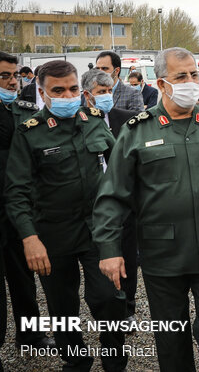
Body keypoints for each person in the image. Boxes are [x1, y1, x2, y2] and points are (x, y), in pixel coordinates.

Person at [93, 47, 199, 372]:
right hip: (163, 253)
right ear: (162, 84)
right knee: (172, 340)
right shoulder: (137, 131)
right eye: (182, 77)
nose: (191, 82)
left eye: (194, 75)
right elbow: (112, 196)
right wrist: (109, 249)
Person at [4, 60, 126, 372]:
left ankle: (115, 361)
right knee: (63, 308)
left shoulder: (95, 120)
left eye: (73, 88)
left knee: (110, 300)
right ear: (43, 95)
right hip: (52, 233)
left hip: (96, 229)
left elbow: (119, 169)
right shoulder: (29, 133)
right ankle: (76, 361)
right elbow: (16, 192)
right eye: (58, 91)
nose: (68, 95)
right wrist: (29, 239)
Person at [0, 52, 56, 361]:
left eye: (15, 75)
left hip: (20, 209)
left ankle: (31, 335)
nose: (12, 81)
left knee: (24, 276)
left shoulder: (26, 110)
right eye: (4, 75)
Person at [82, 68, 140, 327]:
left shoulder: (127, 119)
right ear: (87, 96)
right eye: (100, 92)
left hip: (124, 203)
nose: (106, 96)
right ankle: (106, 306)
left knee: (128, 254)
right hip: (93, 203)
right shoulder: (78, 122)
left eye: (109, 91)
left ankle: (127, 308)